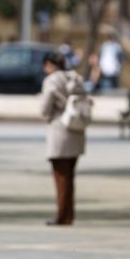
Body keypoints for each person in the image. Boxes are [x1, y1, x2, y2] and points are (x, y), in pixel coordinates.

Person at [40, 50, 87, 225]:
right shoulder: (76, 78)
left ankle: (62, 216)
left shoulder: (51, 80)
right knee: (69, 177)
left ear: (50, 65)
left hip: (59, 131)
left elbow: (44, 111)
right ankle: (68, 214)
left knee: (60, 177)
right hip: (76, 131)